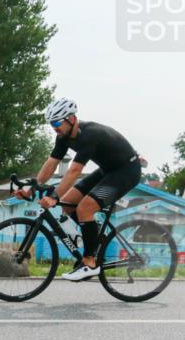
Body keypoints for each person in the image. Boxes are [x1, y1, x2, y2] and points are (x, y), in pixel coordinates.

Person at [17, 97, 144, 281]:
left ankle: (90, 262)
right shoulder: (63, 137)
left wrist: (54, 196)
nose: (55, 127)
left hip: (127, 171)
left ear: (71, 119)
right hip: (107, 171)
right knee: (68, 204)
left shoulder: (90, 134)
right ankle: (94, 234)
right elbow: (51, 164)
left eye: (58, 122)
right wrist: (32, 188)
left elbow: (75, 171)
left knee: (84, 207)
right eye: (51, 123)